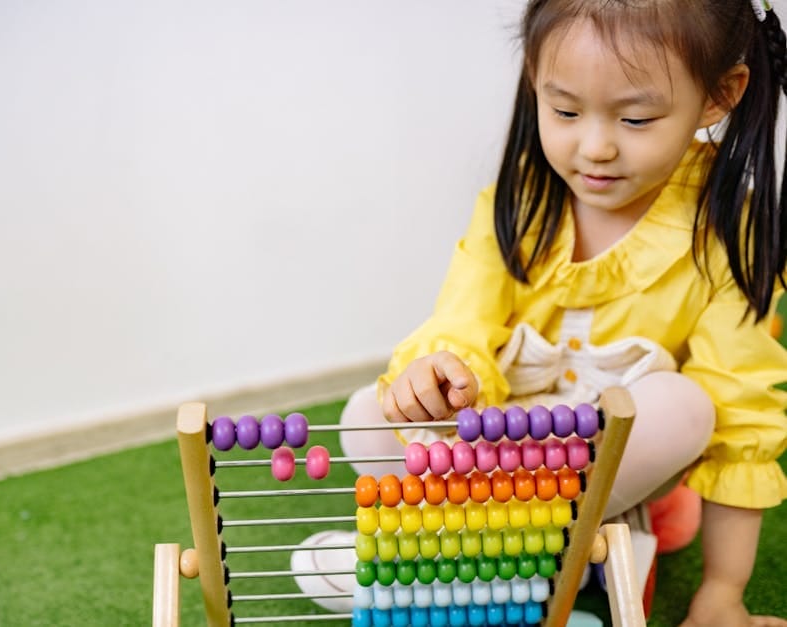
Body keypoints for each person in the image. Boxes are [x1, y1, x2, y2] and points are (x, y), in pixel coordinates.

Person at [292, 1, 787, 625]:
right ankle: (525, 562)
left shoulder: (728, 232)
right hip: (494, 447)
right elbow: (462, 320)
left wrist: (722, 593)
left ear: (720, 95)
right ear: (535, 78)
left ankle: (452, 564)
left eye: (636, 118)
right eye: (565, 111)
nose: (596, 147)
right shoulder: (519, 199)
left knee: (687, 408)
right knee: (365, 412)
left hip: (605, 460)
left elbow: (742, 418)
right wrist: (439, 375)